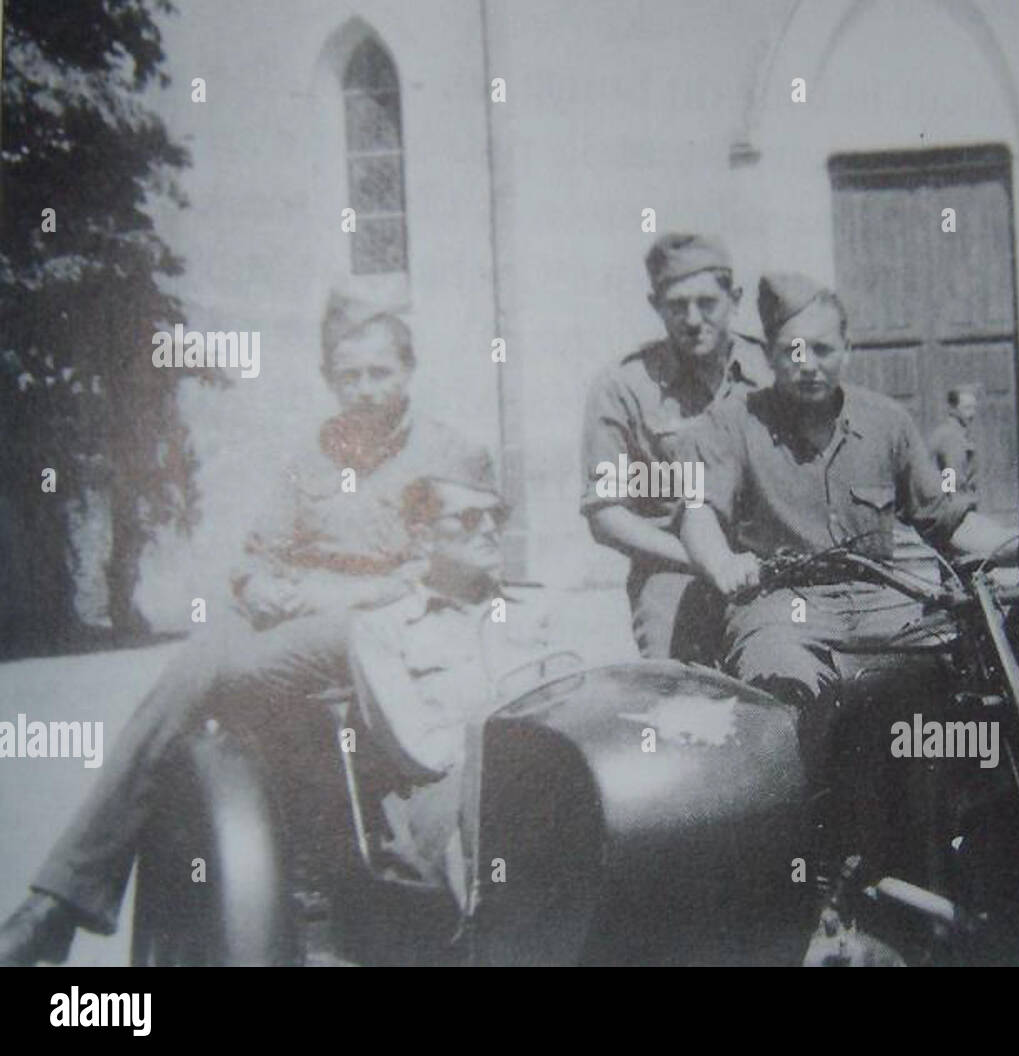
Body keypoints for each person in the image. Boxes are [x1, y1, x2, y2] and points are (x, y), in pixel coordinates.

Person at [0, 293, 500, 965]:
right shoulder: (313, 458)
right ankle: (61, 901)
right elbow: (258, 554)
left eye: (379, 372)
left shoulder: (451, 454)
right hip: (301, 628)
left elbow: (448, 566)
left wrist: (338, 591)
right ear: (330, 380)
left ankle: (59, 903)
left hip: (384, 627)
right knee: (198, 663)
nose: (363, 389)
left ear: (409, 371)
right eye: (347, 375)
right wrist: (262, 584)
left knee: (207, 673)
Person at [676, 273, 1011, 883]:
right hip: (782, 606)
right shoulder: (731, 424)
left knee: (961, 693)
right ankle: (796, 874)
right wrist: (722, 564)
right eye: (792, 352)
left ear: (848, 349)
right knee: (784, 704)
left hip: (887, 603)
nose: (808, 365)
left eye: (823, 349)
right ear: (771, 355)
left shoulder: (887, 422)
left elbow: (945, 518)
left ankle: (934, 851)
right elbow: (699, 513)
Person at [580, 232, 771, 663]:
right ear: (655, 306)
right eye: (676, 306)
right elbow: (605, 513)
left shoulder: (772, 372)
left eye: (707, 303)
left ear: (735, 298)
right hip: (675, 569)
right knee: (675, 691)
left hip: (770, 564)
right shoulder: (624, 388)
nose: (692, 318)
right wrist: (704, 560)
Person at [929, 386, 979, 504]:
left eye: (974, 408)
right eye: (967, 408)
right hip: (955, 505)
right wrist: (956, 506)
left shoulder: (960, 433)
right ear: (953, 410)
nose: (972, 414)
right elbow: (951, 477)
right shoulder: (950, 436)